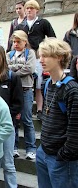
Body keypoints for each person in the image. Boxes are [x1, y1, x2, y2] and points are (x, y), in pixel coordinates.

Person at [36, 38, 78, 188]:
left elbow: (75, 129)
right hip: (43, 152)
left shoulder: (71, 89)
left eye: (45, 56)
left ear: (59, 57)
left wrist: (64, 154)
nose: (41, 60)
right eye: (40, 55)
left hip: (61, 159)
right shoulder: (48, 83)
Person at [0, 45, 23, 187]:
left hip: (6, 128)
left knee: (8, 164)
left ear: (1, 57)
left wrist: (4, 117)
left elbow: (18, 104)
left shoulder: (12, 77)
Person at [15, 0, 56, 119]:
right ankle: (22, 109)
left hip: (38, 58)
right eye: (27, 8)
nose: (29, 10)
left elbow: (52, 38)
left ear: (36, 10)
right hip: (24, 58)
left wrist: (45, 50)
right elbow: (14, 40)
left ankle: (39, 109)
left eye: (32, 8)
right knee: (24, 85)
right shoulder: (20, 25)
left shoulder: (43, 23)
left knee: (38, 85)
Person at [7, 30, 37, 160]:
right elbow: (6, 68)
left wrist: (14, 70)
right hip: (13, 90)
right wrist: (19, 68)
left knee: (27, 119)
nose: (16, 44)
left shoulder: (30, 53)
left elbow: (29, 68)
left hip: (26, 89)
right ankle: (13, 147)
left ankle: (31, 148)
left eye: (18, 41)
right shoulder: (9, 54)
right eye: (14, 41)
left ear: (25, 42)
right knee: (13, 120)